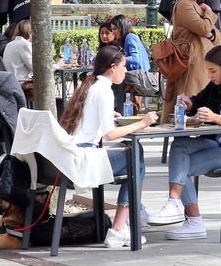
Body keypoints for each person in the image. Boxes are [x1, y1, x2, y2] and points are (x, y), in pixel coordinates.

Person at [149, 45, 221, 239]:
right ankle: (175, 205)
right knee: (179, 146)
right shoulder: (217, 85)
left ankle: (191, 219)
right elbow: (199, 100)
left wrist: (217, 118)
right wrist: (190, 103)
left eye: (213, 71)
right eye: (208, 71)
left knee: (182, 167)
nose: (210, 75)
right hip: (218, 142)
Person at [58, 46, 159, 248]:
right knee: (135, 158)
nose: (125, 71)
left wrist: (107, 115)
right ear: (112, 68)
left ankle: (123, 223)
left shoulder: (91, 86)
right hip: (85, 160)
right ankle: (120, 227)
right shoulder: (104, 91)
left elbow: (90, 119)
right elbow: (109, 134)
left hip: (73, 155)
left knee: (134, 157)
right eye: (123, 67)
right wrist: (143, 122)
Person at [162, 0, 221, 122]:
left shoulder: (196, 5)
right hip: (191, 61)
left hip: (202, 59)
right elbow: (203, 28)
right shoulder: (184, 5)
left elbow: (217, 35)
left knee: (199, 97)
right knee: (190, 99)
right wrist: (208, 13)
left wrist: (210, 33)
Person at [3, 20, 35, 105]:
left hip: (10, 82)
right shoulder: (24, 45)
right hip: (21, 83)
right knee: (46, 84)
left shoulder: (10, 44)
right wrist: (57, 65)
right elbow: (36, 67)